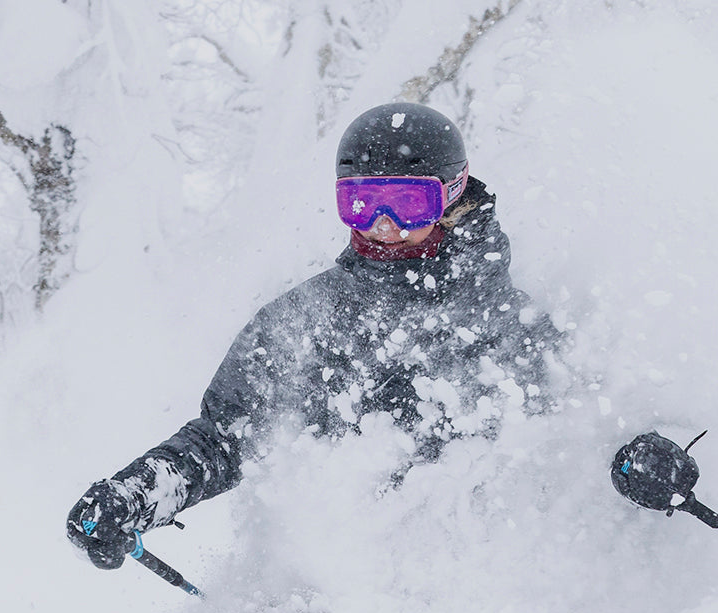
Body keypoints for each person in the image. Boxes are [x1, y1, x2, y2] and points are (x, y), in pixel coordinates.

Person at [66, 102, 563, 569]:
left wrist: (634, 466)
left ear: (453, 194)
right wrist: (134, 498)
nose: (383, 225)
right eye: (362, 202)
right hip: (343, 592)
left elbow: (580, 439)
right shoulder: (304, 321)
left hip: (496, 596)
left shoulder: (515, 328)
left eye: (409, 203)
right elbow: (225, 437)